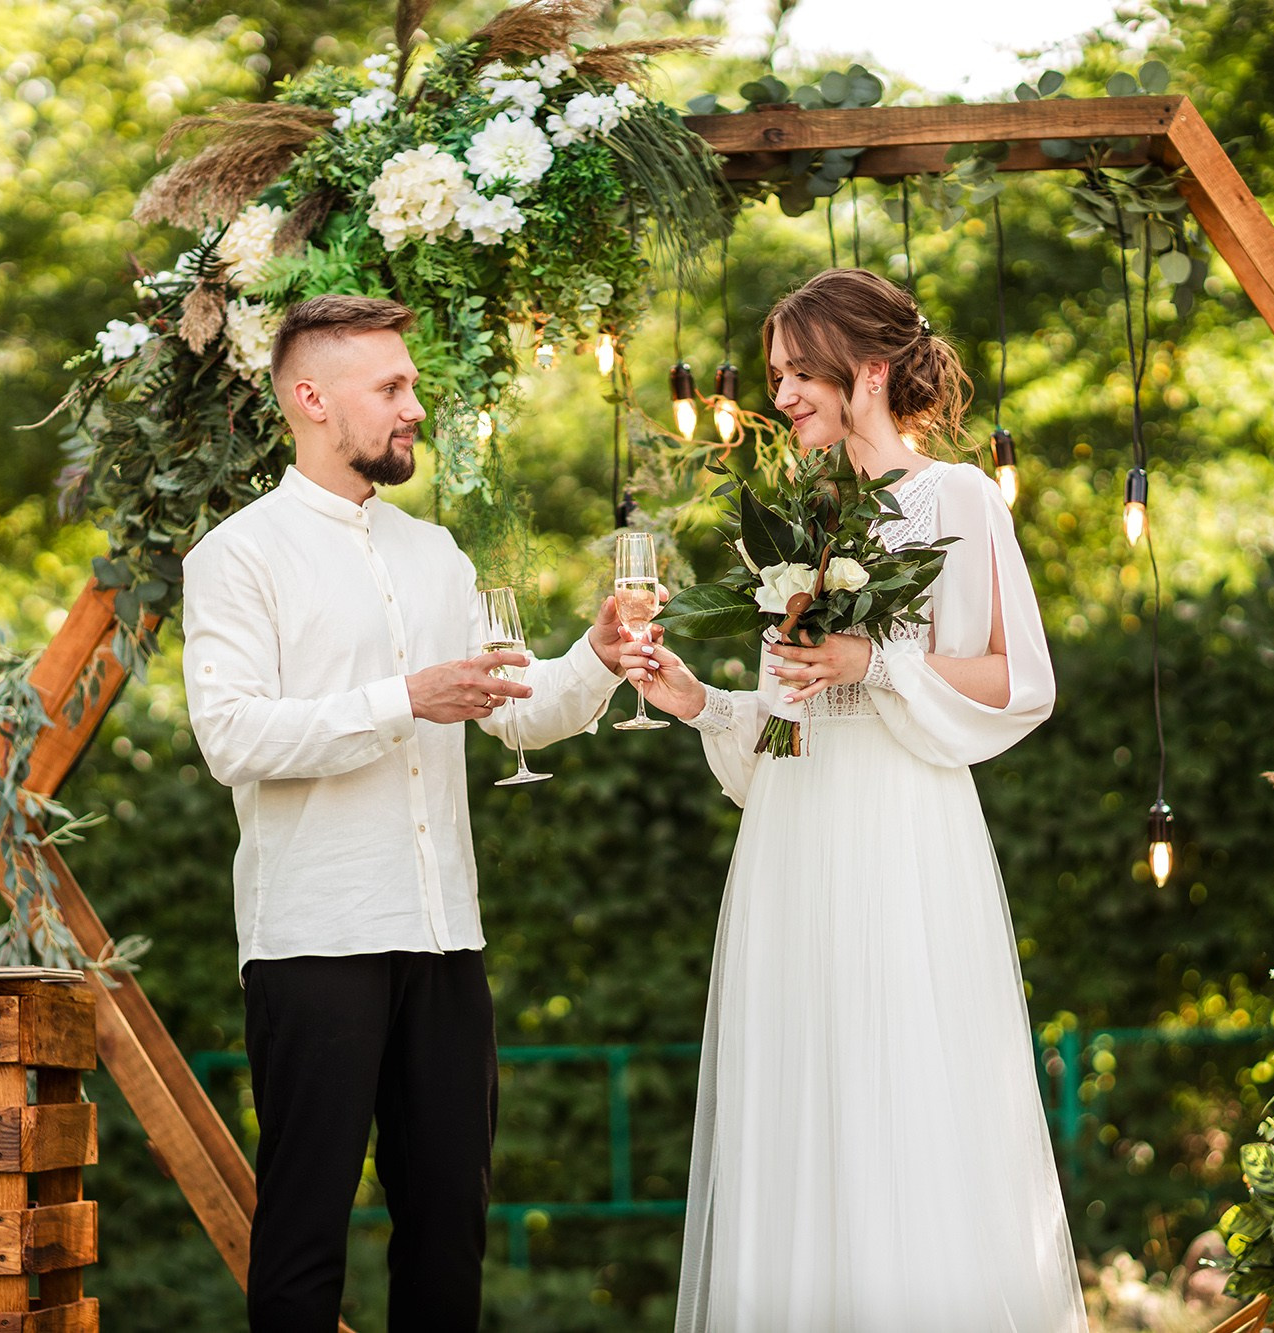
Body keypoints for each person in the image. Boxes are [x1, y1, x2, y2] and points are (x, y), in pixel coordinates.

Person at [620, 268, 1088, 1330]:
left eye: (797, 373)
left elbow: (1020, 680)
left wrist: (870, 660)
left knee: (904, 1093)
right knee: (801, 1103)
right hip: (793, 839)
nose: (780, 394)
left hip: (899, 831)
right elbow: (786, 722)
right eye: (778, 374)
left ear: (867, 372)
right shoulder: (800, 515)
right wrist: (694, 697)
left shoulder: (958, 499)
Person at [180, 294, 633, 1332]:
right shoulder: (238, 557)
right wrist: (403, 701)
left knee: (446, 1229)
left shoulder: (437, 556)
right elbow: (234, 738)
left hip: (443, 939)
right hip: (316, 940)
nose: (412, 406)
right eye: (389, 387)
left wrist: (596, 660)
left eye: (412, 384)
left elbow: (519, 716)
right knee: (303, 1238)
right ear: (309, 399)